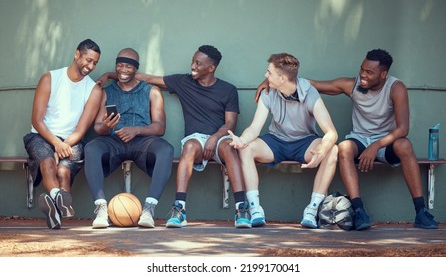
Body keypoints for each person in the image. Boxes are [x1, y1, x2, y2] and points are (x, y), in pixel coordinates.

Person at [256, 48, 438, 230]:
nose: (362, 75)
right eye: (362, 69)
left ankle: (421, 212)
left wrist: (376, 145)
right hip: (359, 140)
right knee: (343, 147)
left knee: (405, 145)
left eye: (369, 72)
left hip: (384, 143)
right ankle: (359, 211)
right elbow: (305, 83)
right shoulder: (351, 85)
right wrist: (270, 81)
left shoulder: (396, 88)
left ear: (383, 74)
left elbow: (403, 129)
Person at [97, 45, 251, 229]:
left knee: (228, 147)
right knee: (190, 146)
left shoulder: (228, 89)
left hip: (220, 138)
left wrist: (215, 137)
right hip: (195, 140)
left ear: (211, 68)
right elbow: (143, 77)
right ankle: (179, 209)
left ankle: (242, 208)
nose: (192, 66)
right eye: (193, 61)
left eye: (198, 63)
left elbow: (230, 123)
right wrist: (110, 74)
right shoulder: (182, 82)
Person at [230, 53, 338, 228]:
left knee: (332, 150)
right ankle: (255, 208)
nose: (266, 76)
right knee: (246, 148)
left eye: (269, 73)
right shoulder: (269, 91)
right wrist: (241, 140)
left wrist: (322, 149)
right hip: (276, 141)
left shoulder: (310, 93)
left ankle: (312, 209)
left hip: (304, 142)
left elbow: (331, 132)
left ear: (281, 78)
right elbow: (255, 128)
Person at [85, 48, 174, 229]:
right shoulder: (106, 91)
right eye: (119, 65)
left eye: (128, 66)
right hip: (114, 141)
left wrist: (137, 130)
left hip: (142, 141)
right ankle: (101, 209)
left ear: (136, 69)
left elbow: (160, 127)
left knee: (166, 149)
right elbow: (97, 128)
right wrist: (107, 126)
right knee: (91, 148)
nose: (123, 70)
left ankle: (149, 209)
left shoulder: (152, 91)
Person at [23, 39, 103, 229]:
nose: (90, 66)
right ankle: (60, 202)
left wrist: (63, 145)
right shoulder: (50, 78)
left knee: (63, 171)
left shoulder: (94, 90)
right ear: (77, 54)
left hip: (72, 140)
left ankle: (55, 213)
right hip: (41, 136)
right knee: (48, 162)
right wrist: (56, 144)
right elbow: (37, 120)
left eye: (95, 63)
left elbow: (81, 130)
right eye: (88, 60)